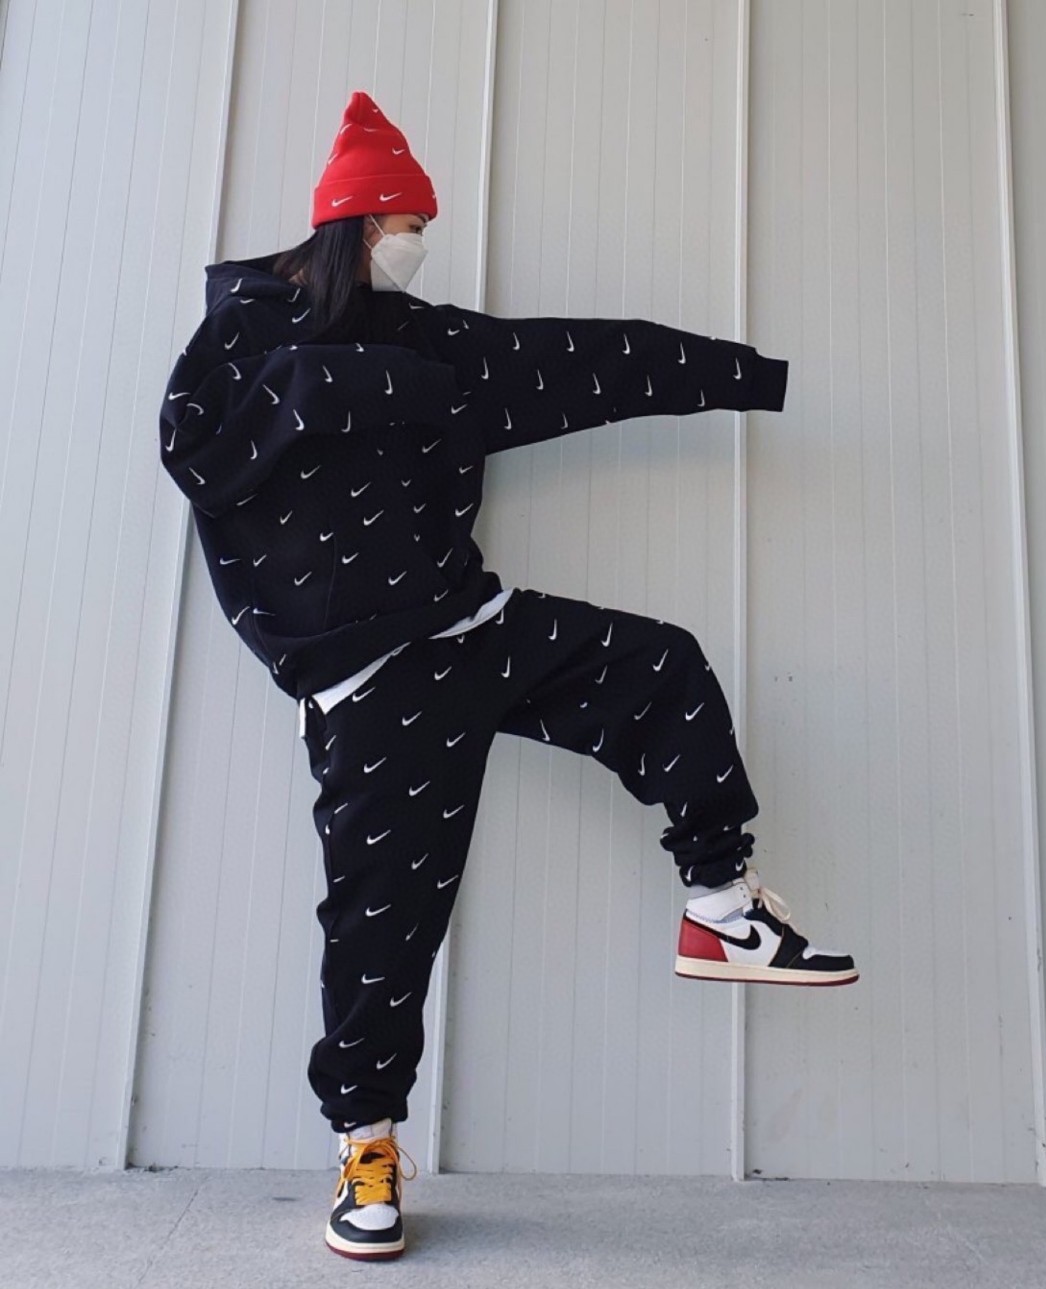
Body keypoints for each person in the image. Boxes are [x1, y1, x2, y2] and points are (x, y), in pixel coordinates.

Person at [158, 89, 857, 1263]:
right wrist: (354, 389)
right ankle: (366, 1150)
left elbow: (591, 361)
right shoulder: (244, 339)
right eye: (408, 225)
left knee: (661, 668)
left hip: (474, 631)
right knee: (384, 928)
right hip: (370, 684)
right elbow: (196, 448)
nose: (420, 243)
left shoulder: (436, 342)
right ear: (360, 225)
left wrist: (752, 377)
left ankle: (720, 903)